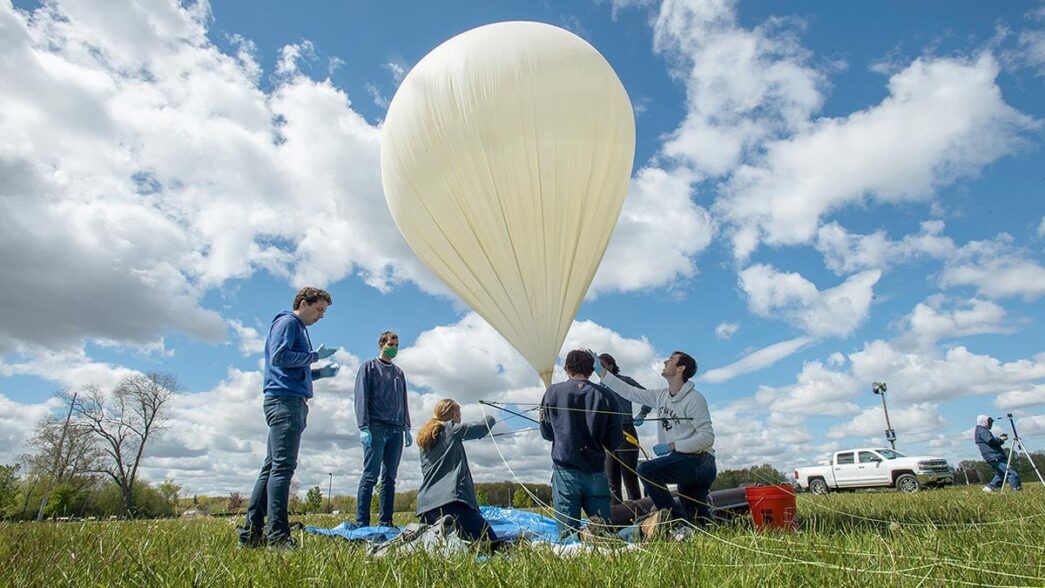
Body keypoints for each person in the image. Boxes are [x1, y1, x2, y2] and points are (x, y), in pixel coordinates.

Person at [240, 287, 338, 549]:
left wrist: (318, 373)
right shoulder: (288, 322)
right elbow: (280, 356)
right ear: (303, 303)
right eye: (318, 309)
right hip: (285, 402)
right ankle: (278, 537)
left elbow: (293, 369)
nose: (320, 316)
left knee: (271, 468)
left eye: (324, 312)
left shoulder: (298, 329)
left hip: (287, 398)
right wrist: (314, 356)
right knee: (282, 469)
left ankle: (250, 535)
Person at [591, 349, 717, 526]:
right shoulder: (660, 396)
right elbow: (630, 392)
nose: (665, 362)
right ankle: (691, 525)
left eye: (671, 359)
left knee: (646, 470)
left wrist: (672, 445)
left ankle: (674, 521)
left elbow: (707, 438)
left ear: (681, 368)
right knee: (698, 520)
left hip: (700, 462)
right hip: (681, 461)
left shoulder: (694, 399)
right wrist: (603, 374)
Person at [540, 349, 624, 537]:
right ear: (591, 370)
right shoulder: (606, 395)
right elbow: (615, 440)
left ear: (566, 368)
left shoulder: (551, 392)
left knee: (567, 537)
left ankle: (583, 538)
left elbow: (546, 433)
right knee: (605, 533)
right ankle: (643, 530)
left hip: (565, 472)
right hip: (595, 471)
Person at [415, 399, 499, 544]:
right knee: (490, 541)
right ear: (454, 416)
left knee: (447, 543)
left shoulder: (426, 438)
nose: (461, 419)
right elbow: (481, 428)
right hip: (452, 504)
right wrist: (491, 418)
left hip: (426, 509)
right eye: (459, 416)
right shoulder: (451, 428)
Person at [355, 330, 412, 527]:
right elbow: (361, 397)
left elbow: (403, 400)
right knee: (370, 475)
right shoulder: (368, 367)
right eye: (391, 344)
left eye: (397, 345)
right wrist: (363, 426)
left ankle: (386, 521)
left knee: (390, 477)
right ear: (381, 345)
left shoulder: (399, 373)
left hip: (396, 429)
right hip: (376, 427)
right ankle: (362, 522)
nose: (394, 348)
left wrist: (406, 426)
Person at [598, 353, 651, 505]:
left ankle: (639, 511)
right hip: (607, 434)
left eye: (601, 366)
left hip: (625, 430)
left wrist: (643, 413)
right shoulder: (599, 387)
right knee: (611, 478)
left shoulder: (625, 381)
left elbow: (647, 396)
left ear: (610, 365)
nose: (599, 370)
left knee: (629, 476)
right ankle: (617, 516)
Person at [975, 415, 1021, 492]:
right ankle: (1016, 490)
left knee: (1002, 474)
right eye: (989, 422)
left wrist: (999, 439)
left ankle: (989, 488)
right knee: (1011, 472)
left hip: (992, 456)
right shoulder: (982, 430)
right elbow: (991, 441)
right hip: (994, 456)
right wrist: (1001, 439)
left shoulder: (981, 430)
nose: (990, 424)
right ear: (983, 422)